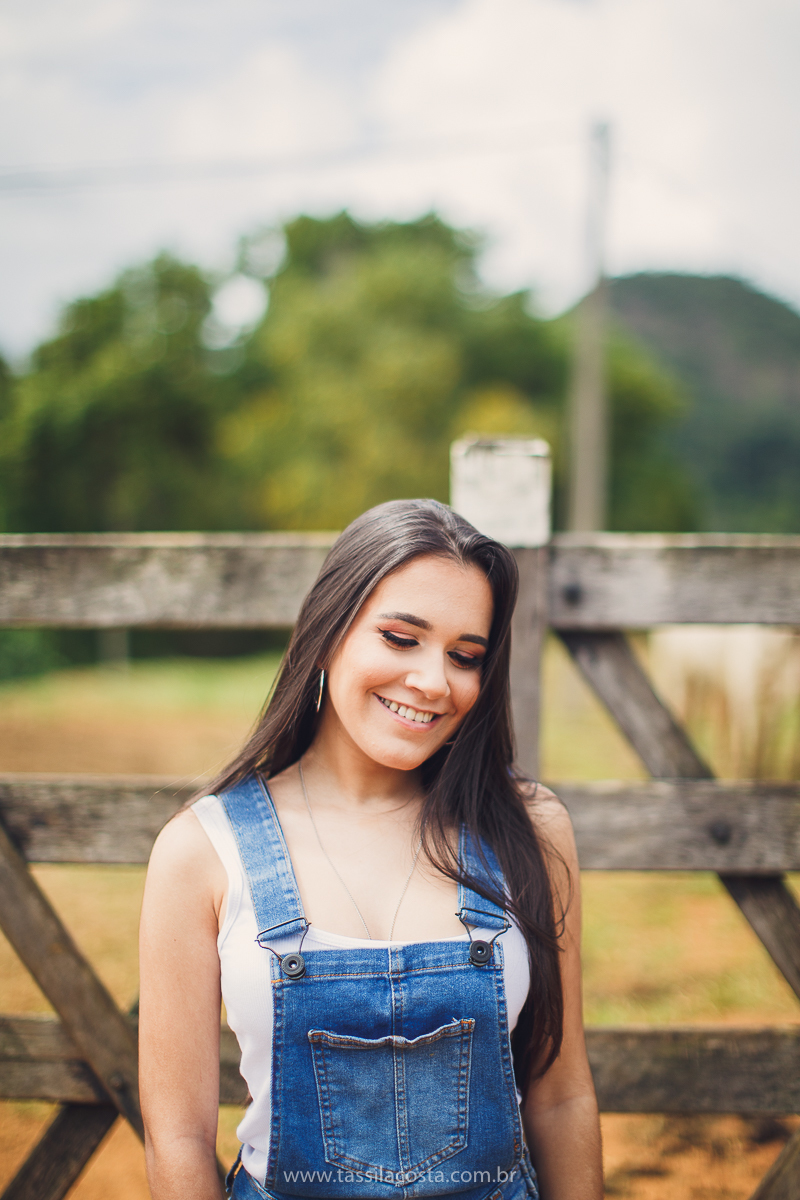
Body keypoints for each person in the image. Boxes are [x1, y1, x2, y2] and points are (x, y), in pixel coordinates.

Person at [139, 499, 602, 1200]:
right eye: (399, 637)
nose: (433, 682)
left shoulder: (530, 831)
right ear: (328, 633)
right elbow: (176, 1137)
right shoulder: (202, 851)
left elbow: (561, 1097)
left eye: (465, 656)